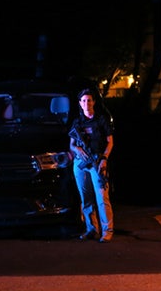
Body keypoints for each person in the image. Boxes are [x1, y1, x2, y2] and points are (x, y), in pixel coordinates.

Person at [69, 88, 114, 243]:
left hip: (97, 162)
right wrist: (78, 148)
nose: (86, 103)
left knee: (102, 197)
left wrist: (104, 159)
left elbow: (110, 142)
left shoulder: (101, 120)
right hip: (81, 163)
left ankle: (107, 230)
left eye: (89, 100)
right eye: (83, 101)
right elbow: (71, 144)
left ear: (94, 102)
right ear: (80, 104)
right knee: (86, 198)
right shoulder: (77, 122)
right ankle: (91, 229)